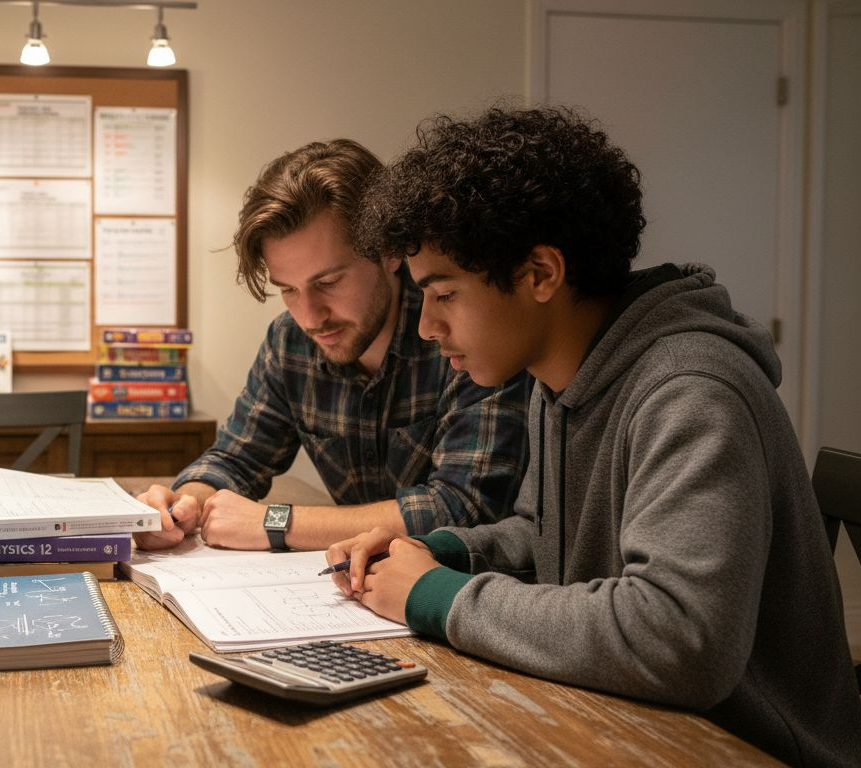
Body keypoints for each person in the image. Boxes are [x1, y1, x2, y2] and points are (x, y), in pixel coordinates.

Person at [331, 106, 861, 766]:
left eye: (445, 295)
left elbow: (680, 639)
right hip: (627, 723)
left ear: (541, 274)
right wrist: (440, 551)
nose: (426, 328)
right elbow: (547, 532)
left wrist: (436, 597)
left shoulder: (691, 392)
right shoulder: (561, 377)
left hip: (742, 749)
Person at [135, 139, 529, 552]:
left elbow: (464, 508)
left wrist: (277, 522)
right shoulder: (290, 341)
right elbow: (237, 458)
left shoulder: (461, 333)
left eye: (328, 283)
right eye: (288, 289)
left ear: (391, 252)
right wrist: (185, 503)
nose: (310, 316)